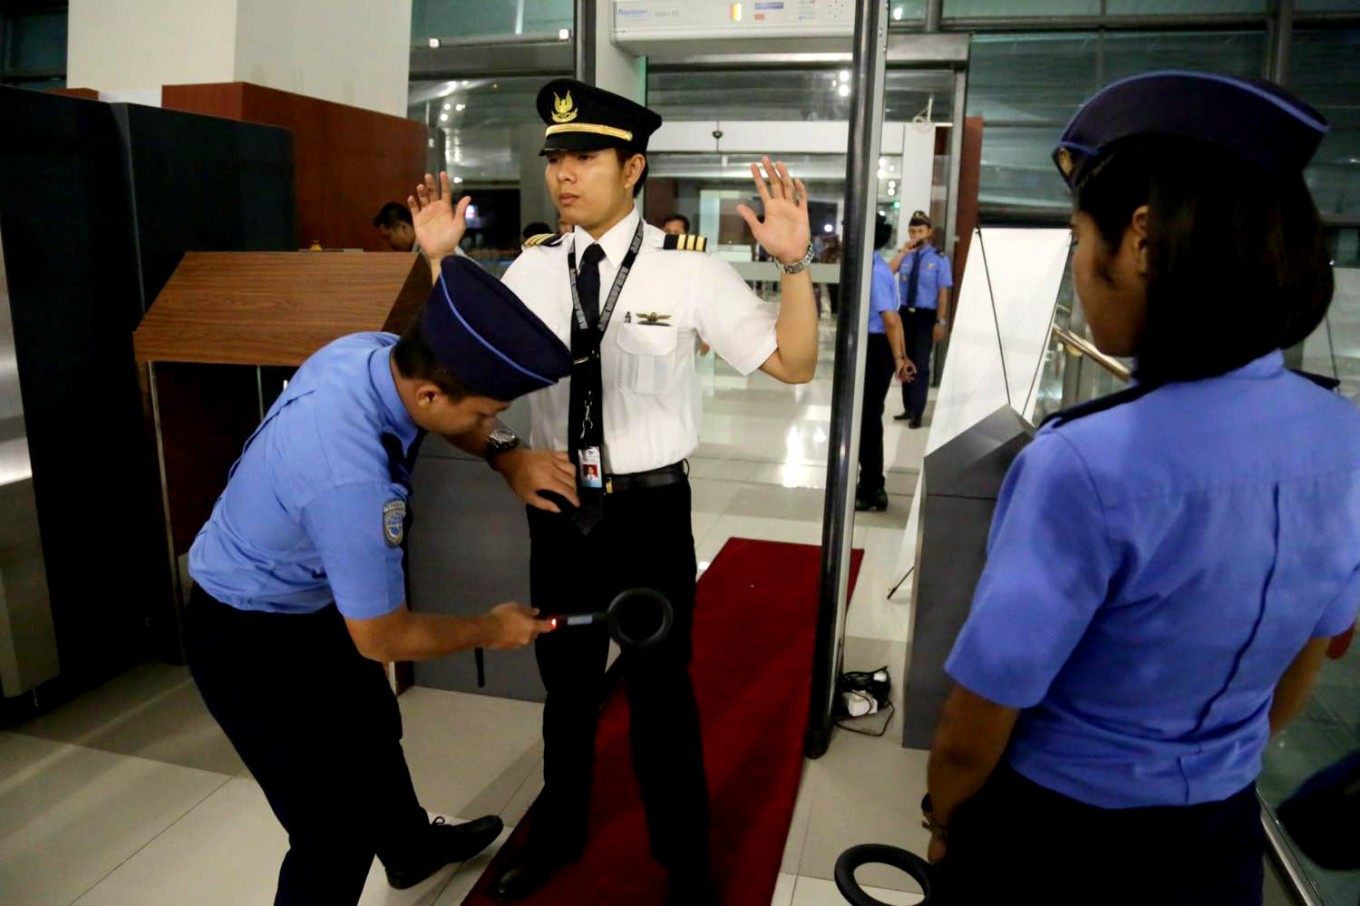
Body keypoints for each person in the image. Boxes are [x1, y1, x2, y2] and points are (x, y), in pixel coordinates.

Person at [923, 72, 1359, 906]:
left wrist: (947, 819)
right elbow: (1306, 663)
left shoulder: (1082, 463)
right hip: (1219, 840)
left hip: (1059, 843)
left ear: (1143, 240)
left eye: (1081, 237)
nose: (1080, 271)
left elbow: (978, 722)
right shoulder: (1346, 441)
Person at [408, 77, 817, 904]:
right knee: (564, 690)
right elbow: (451, 379)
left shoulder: (684, 275)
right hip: (561, 511)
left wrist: (796, 263)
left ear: (631, 169)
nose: (564, 173)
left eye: (585, 157)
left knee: (663, 694)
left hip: (651, 512)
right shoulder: (530, 270)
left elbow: (794, 363)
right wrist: (439, 263)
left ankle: (685, 862)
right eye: (555, 157)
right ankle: (557, 834)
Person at [183, 253, 568, 906]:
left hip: (308, 603)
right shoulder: (351, 479)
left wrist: (507, 457)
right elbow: (385, 638)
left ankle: (412, 850)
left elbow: (448, 415)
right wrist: (490, 628)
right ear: (430, 394)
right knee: (331, 830)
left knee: (369, 729)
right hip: (245, 638)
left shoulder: (373, 354)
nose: (490, 426)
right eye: (487, 416)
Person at [855, 220, 915, 512]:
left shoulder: (875, 271)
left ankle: (873, 488)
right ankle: (869, 482)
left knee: (867, 420)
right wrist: (901, 357)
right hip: (879, 348)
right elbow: (896, 318)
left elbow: (891, 320)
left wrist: (898, 359)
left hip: (875, 349)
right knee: (866, 418)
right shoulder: (878, 267)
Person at [889, 210, 951, 427]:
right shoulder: (905, 255)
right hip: (904, 314)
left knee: (922, 365)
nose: (916, 234)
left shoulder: (940, 259)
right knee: (905, 359)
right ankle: (908, 407)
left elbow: (943, 293)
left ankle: (917, 412)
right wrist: (904, 252)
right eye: (913, 230)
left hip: (926, 316)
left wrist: (940, 321)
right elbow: (888, 272)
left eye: (920, 230)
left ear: (929, 232)